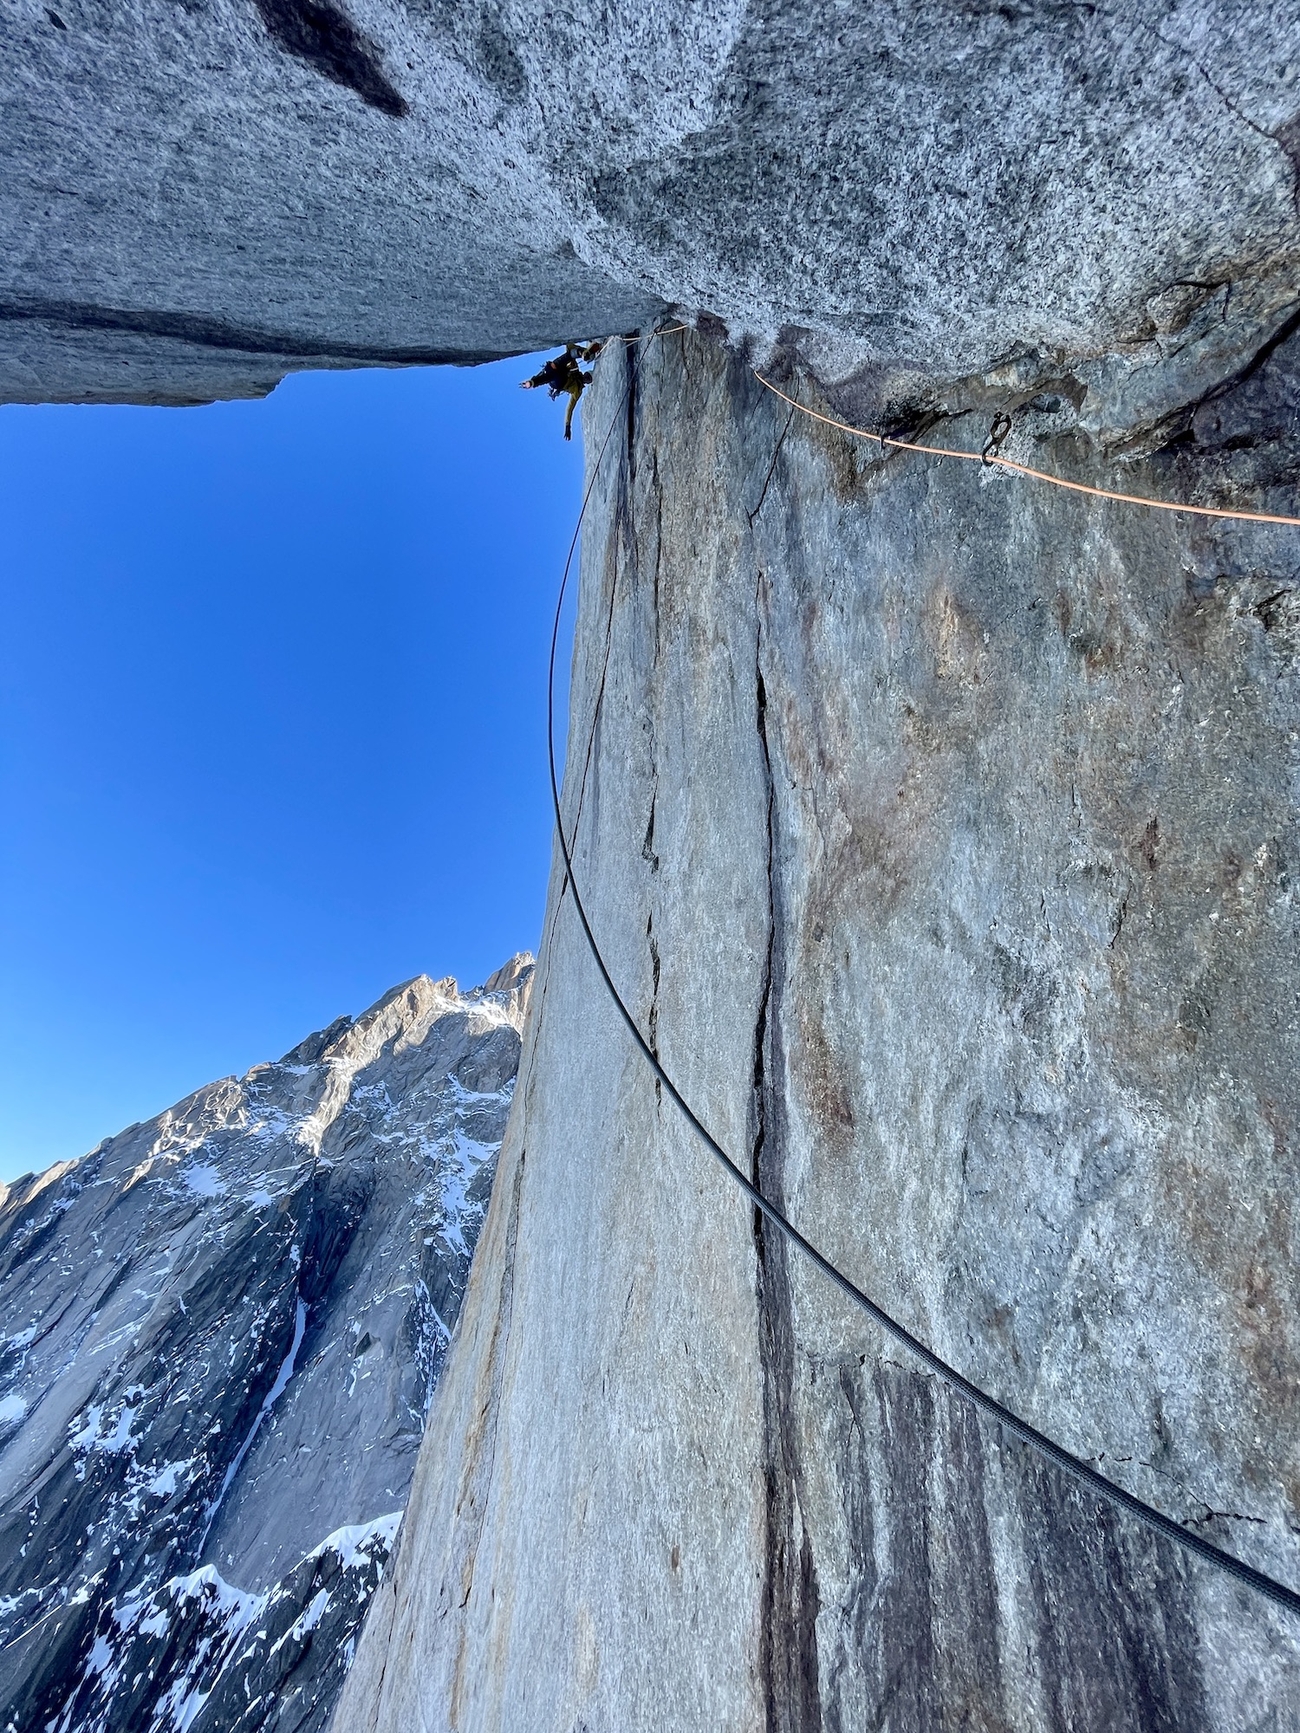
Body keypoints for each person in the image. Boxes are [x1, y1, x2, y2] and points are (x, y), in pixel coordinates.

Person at [521, 341, 603, 438]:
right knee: (559, 374)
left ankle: (588, 354)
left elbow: (569, 355)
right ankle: (588, 359)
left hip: (567, 370)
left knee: (570, 347)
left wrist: (582, 353)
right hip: (565, 380)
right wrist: (567, 426)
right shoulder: (572, 388)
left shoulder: (557, 364)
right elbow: (569, 409)